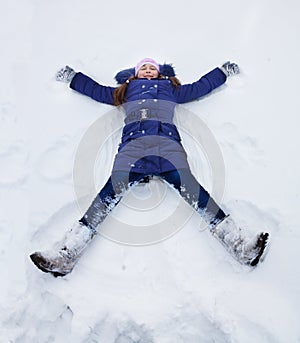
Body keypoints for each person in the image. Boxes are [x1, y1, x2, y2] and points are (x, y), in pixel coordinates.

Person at [30, 58, 269, 277]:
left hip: (168, 151)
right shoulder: (126, 91)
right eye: (143, 67)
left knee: (198, 194)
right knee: (104, 199)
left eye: (152, 67)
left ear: (159, 72)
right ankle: (66, 255)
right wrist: (73, 78)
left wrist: (222, 72)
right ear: (134, 74)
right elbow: (97, 91)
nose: (147, 70)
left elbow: (199, 87)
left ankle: (240, 246)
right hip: (133, 152)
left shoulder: (171, 89)